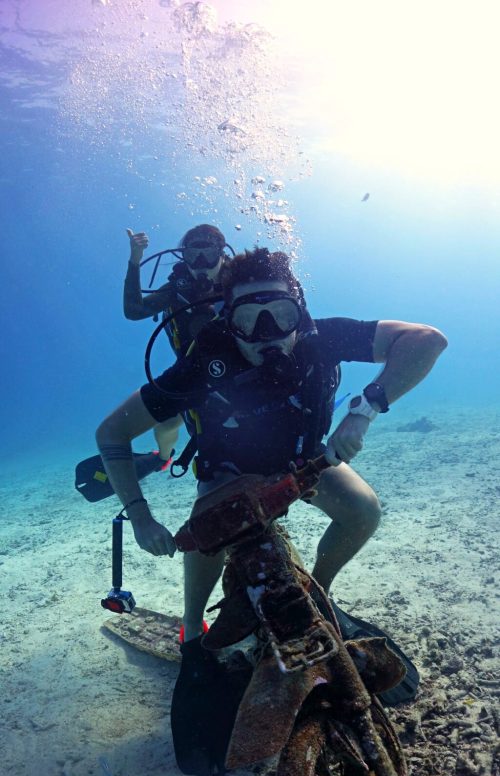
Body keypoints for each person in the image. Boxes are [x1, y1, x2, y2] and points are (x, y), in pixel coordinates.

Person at [96, 247, 448, 648]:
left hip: (305, 461)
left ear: (299, 311)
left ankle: (319, 592)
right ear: (228, 321)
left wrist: (364, 410)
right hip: (229, 471)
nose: (269, 335)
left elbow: (426, 341)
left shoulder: (321, 339)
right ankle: (192, 626)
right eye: (249, 320)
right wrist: (141, 519)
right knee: (208, 530)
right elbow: (111, 433)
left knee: (363, 511)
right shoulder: (205, 363)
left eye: (281, 315)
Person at [123, 223, 231, 459]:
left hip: (238, 366)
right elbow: (133, 310)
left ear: (222, 253)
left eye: (209, 254)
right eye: (193, 255)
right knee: (169, 423)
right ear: (184, 257)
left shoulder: (240, 281)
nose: (201, 263)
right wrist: (135, 261)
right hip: (190, 371)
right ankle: (162, 457)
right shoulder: (176, 289)